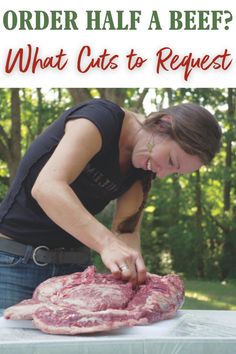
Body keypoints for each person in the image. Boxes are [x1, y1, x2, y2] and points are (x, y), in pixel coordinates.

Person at [0, 98, 221, 309]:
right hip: (13, 261)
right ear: (164, 123)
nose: (162, 174)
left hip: (74, 271)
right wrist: (107, 244)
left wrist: (133, 277)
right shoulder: (99, 119)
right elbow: (47, 187)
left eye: (175, 172)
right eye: (171, 161)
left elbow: (126, 231)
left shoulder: (144, 167)